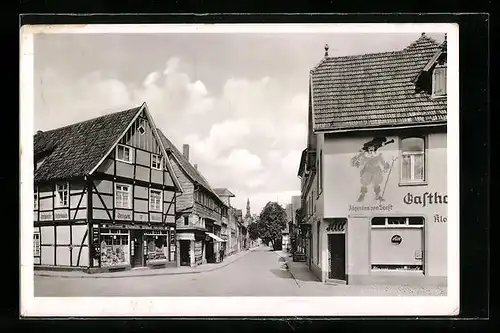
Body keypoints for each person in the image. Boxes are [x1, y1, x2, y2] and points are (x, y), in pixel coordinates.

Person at [350, 137, 393, 202]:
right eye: (369, 148)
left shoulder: (378, 154)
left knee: (376, 182)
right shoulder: (365, 155)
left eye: (372, 147)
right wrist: (358, 163)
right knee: (365, 182)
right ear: (367, 148)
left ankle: (377, 196)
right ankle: (362, 195)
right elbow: (362, 161)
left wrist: (385, 165)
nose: (371, 149)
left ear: (374, 148)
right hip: (368, 169)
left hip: (376, 169)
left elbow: (382, 161)